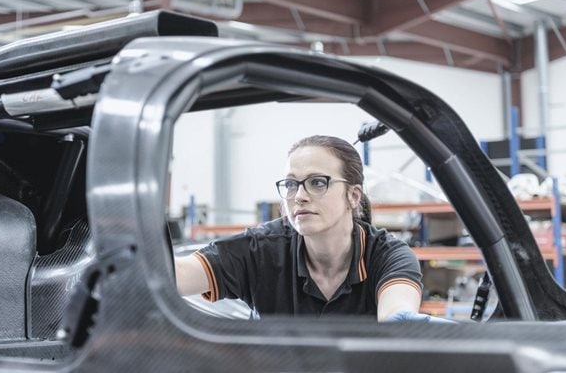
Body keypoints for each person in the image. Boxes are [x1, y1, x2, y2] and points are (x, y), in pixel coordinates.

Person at [175, 135, 422, 321]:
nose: (300, 196)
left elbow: (398, 316)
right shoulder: (262, 250)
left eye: (317, 182)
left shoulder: (388, 256)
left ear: (354, 195)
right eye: (291, 184)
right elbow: (177, 275)